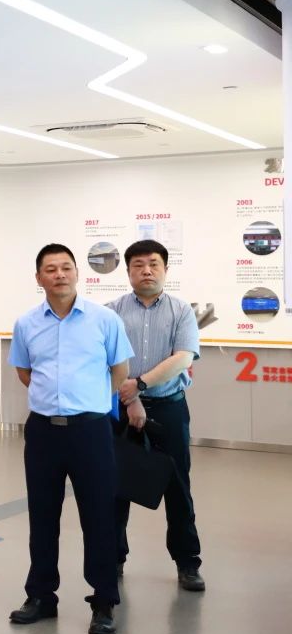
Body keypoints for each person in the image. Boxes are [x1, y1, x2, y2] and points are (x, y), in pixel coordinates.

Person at [7, 243, 141, 634]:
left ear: (77, 273)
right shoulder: (26, 323)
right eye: (50, 269)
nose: (59, 274)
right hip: (43, 431)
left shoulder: (104, 320)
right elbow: (25, 371)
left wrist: (90, 402)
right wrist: (55, 399)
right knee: (42, 516)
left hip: (91, 431)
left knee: (99, 516)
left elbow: (120, 370)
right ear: (39, 278)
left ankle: (103, 601)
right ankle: (41, 596)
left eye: (66, 267)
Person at [107, 239, 204, 591]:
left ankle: (187, 562)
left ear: (165, 269)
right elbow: (105, 359)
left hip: (169, 408)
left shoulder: (181, 310)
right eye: (138, 265)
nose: (146, 270)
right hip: (120, 409)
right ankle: (113, 559)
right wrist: (130, 397)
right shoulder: (111, 312)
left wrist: (140, 386)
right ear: (128, 271)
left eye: (153, 264)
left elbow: (183, 358)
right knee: (115, 486)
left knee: (178, 486)